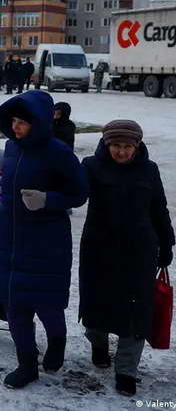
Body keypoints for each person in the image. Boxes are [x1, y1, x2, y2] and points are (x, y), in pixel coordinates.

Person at [0, 90, 88, 389]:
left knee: (47, 306)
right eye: (14, 121)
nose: (17, 127)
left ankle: (56, 342)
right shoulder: (10, 148)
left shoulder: (59, 152)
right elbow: (4, 190)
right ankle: (27, 365)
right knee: (14, 308)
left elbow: (79, 193)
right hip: (10, 239)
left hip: (46, 243)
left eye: (23, 122)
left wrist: (48, 200)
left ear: (41, 122)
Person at [79, 120, 174, 397]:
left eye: (128, 146)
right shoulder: (91, 167)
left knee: (136, 313)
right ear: (107, 145)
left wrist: (167, 243)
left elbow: (159, 208)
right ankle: (98, 344)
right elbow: (73, 193)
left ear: (137, 146)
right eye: (116, 146)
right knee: (96, 308)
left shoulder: (149, 170)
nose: (122, 152)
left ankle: (126, 370)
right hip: (99, 249)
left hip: (139, 251)